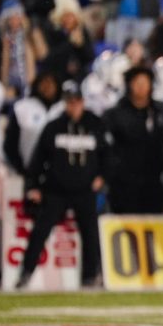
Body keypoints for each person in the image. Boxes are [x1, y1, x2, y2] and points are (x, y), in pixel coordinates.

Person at [19, 80, 107, 287]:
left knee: (90, 235)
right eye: (70, 102)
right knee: (40, 232)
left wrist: (103, 176)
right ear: (65, 103)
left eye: (77, 101)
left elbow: (109, 155)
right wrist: (33, 186)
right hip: (56, 190)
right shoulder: (54, 127)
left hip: (84, 190)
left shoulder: (95, 125)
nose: (74, 106)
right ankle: (25, 273)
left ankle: (89, 277)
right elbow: (39, 159)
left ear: (83, 101)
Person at [103, 65, 163, 213]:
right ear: (129, 85)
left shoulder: (160, 110)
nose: (141, 87)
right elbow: (107, 147)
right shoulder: (115, 114)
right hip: (124, 181)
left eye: (145, 83)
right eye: (137, 83)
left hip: (153, 179)